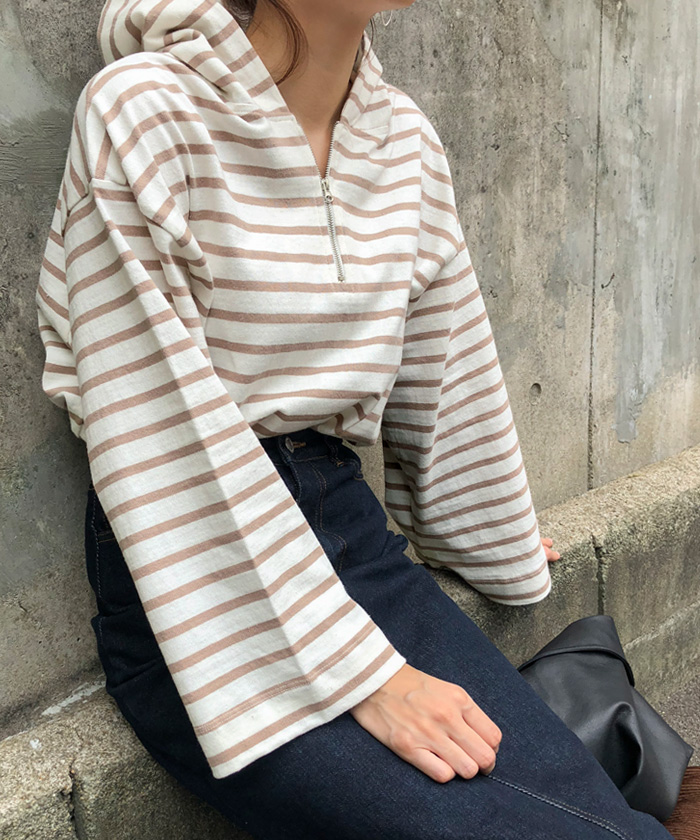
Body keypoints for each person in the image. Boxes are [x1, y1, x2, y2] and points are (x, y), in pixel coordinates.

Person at [35, 0, 675, 836]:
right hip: (196, 582)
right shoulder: (143, 109)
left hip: (351, 537)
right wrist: (368, 675)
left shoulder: (403, 140)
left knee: (596, 819)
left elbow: (448, 366)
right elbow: (154, 422)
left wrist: (500, 539)